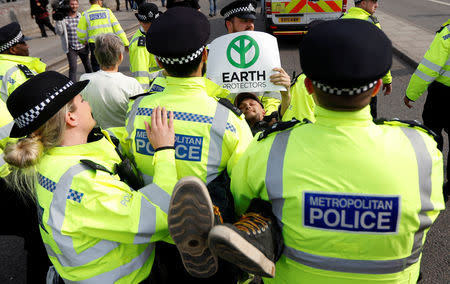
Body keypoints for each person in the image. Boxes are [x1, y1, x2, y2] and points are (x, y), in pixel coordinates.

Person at [206, 19, 445, 283]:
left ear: (308, 87)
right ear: (376, 87)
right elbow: (428, 215)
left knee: (256, 205)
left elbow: (239, 202)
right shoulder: (423, 150)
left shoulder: (268, 149)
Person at [110, 7, 253, 283]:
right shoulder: (227, 119)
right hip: (208, 242)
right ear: (205, 56)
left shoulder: (138, 109)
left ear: (160, 64)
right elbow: (244, 190)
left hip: (153, 239)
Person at [4, 70, 178, 283]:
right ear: (71, 117)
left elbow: (106, 142)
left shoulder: (49, 158)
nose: (88, 104)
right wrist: (165, 149)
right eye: (83, 100)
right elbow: (158, 216)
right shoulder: (82, 182)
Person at [404, 19, 450, 200]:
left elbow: (428, 68)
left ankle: (433, 181)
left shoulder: (446, 34)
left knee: (433, 136)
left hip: (442, 96)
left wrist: (411, 93)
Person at [220, 0, 287, 116]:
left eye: (251, 21)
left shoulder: (265, 52)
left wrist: (267, 116)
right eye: (244, 21)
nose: (250, 25)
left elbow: (272, 94)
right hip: (228, 123)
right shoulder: (214, 54)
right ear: (229, 25)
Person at [341, 0, 392, 119]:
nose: (377, 5)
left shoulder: (342, 19)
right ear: (363, 3)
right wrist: (387, 80)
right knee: (369, 117)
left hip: (344, 80)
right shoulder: (372, 22)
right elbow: (381, 54)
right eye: (373, 1)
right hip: (366, 83)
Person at [80, 33, 143, 129]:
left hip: (96, 139)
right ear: (120, 57)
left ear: (96, 56)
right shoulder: (132, 84)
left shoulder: (84, 80)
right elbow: (139, 116)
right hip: (123, 140)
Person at [77, 0, 129, 72]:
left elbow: (80, 33)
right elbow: (118, 29)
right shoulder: (107, 12)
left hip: (95, 45)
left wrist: (83, 41)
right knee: (111, 65)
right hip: (109, 43)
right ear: (98, 1)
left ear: (90, 2)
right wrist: (126, 43)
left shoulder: (85, 14)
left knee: (97, 67)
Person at [54, 0, 92, 82]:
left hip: (83, 46)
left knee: (88, 66)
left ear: (78, 5)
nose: (74, 6)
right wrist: (58, 21)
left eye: (75, 4)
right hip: (71, 48)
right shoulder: (64, 18)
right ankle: (73, 88)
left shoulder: (82, 16)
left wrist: (87, 40)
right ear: (68, 5)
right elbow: (59, 32)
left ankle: (92, 82)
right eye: (72, 4)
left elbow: (88, 29)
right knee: (73, 68)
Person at [129, 3, 162, 92]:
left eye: (154, 22)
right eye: (148, 23)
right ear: (140, 22)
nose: (153, 25)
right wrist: (143, 99)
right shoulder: (140, 45)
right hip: (153, 90)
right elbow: (141, 77)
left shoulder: (159, 33)